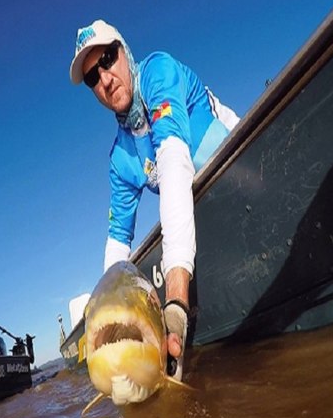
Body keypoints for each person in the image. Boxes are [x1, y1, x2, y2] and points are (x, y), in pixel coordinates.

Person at [69, 20, 239, 380]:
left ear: (125, 52)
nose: (105, 79)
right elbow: (118, 244)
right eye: (91, 78)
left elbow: (174, 161)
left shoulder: (157, 72)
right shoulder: (119, 159)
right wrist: (110, 323)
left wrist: (176, 304)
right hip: (196, 203)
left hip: (238, 167)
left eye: (108, 59)